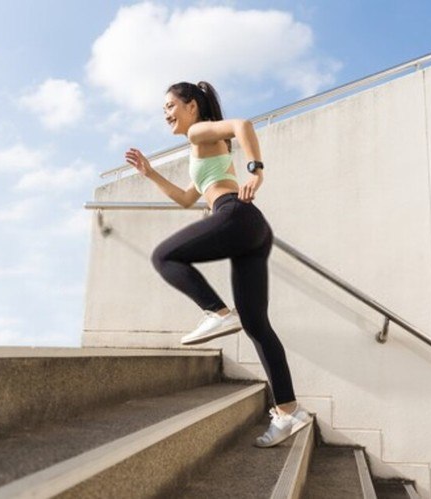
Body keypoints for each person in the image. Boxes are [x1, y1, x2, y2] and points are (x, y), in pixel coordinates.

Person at [125, 81, 311, 448]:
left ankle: (217, 310)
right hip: (253, 227)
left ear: (191, 106)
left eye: (170, 106)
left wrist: (256, 171)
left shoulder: (197, 132)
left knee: (164, 256)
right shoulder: (203, 146)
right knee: (257, 324)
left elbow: (243, 125)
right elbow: (184, 198)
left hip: (235, 215)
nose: (165, 114)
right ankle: (289, 411)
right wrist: (150, 174)